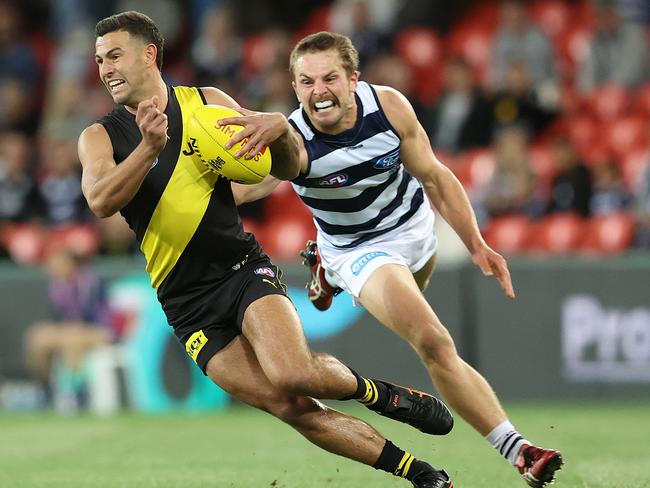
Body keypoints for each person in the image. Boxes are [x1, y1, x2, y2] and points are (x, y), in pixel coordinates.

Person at [78, 11, 454, 488]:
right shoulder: (99, 137)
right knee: (289, 406)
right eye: (98, 60)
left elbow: (274, 167)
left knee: (293, 373)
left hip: (240, 270)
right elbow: (100, 201)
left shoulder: (208, 103)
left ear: (148, 54)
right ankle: (422, 473)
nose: (104, 68)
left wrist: (278, 133)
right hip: (186, 302)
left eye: (114, 55)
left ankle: (377, 394)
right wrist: (149, 148)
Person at [229, 31, 563, 488]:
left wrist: (476, 243)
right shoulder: (294, 143)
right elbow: (239, 191)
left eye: (329, 77)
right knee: (432, 340)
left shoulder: (388, 107)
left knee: (421, 314)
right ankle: (519, 450)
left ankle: (323, 269)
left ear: (354, 78)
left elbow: (436, 176)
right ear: (294, 87)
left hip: (416, 227)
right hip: (361, 249)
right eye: (306, 82)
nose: (318, 91)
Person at [24, 248, 112, 408]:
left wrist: (72, 328)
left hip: (99, 331)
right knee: (37, 337)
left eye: (58, 265)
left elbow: (93, 315)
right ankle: (46, 389)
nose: (53, 270)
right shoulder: (56, 287)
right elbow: (58, 319)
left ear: (71, 265)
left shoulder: (90, 282)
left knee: (73, 337)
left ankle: (75, 392)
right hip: (68, 331)